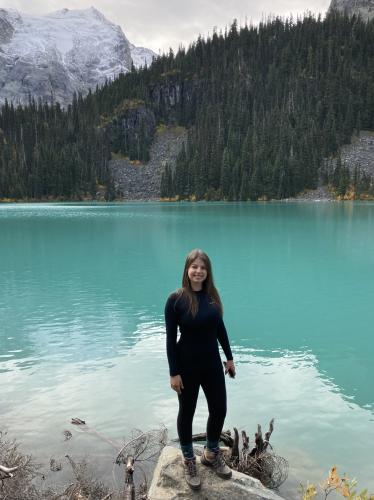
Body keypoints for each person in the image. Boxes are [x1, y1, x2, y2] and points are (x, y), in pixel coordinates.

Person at [164, 248, 236, 490]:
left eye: (202, 267)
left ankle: (211, 453)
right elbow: (170, 339)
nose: (198, 271)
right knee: (187, 411)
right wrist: (174, 372)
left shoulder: (212, 297)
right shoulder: (176, 300)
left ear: (208, 272)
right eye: (194, 267)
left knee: (219, 408)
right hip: (187, 366)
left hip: (211, 364)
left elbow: (219, 329)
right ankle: (188, 459)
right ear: (187, 269)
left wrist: (229, 357)